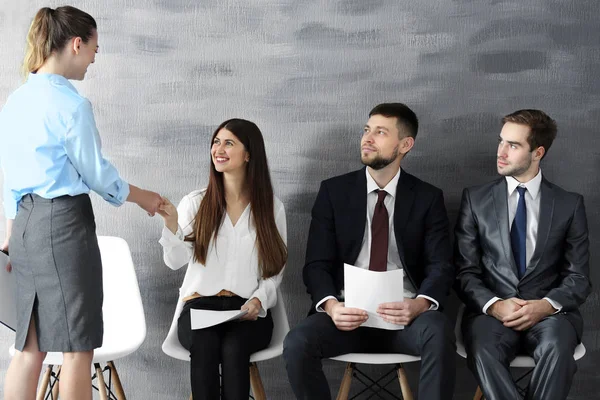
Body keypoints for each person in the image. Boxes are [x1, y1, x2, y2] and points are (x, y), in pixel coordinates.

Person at [0, 6, 163, 400]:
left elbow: (10, 176)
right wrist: (146, 199)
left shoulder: (15, 101)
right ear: (76, 44)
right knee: (78, 347)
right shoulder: (72, 106)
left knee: (29, 348)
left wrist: (10, 231)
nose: (93, 58)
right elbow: (99, 177)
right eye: (93, 48)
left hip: (23, 227)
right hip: (63, 226)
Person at [283, 103, 456, 399]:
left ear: (405, 144)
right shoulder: (333, 192)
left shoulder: (427, 198)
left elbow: (441, 265)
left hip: (407, 319)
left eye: (380, 132)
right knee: (297, 343)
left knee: (438, 332)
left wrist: (421, 304)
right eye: (366, 130)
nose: (367, 138)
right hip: (348, 315)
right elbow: (316, 265)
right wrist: (331, 307)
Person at [454, 109, 591, 400]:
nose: (501, 152)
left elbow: (578, 277)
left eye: (513, 145)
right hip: (491, 315)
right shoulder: (475, 200)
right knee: (483, 349)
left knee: (557, 347)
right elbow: (465, 272)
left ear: (537, 152)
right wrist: (493, 305)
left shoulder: (569, 204)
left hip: (550, 317)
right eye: (501, 141)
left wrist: (545, 305)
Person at [157, 118, 287, 400]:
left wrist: (259, 300)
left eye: (229, 142)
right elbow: (174, 261)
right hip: (200, 308)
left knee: (234, 348)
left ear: (248, 153)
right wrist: (171, 225)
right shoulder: (195, 202)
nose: (219, 148)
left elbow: (274, 271)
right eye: (216, 142)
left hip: (247, 311)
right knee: (204, 346)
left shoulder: (271, 208)